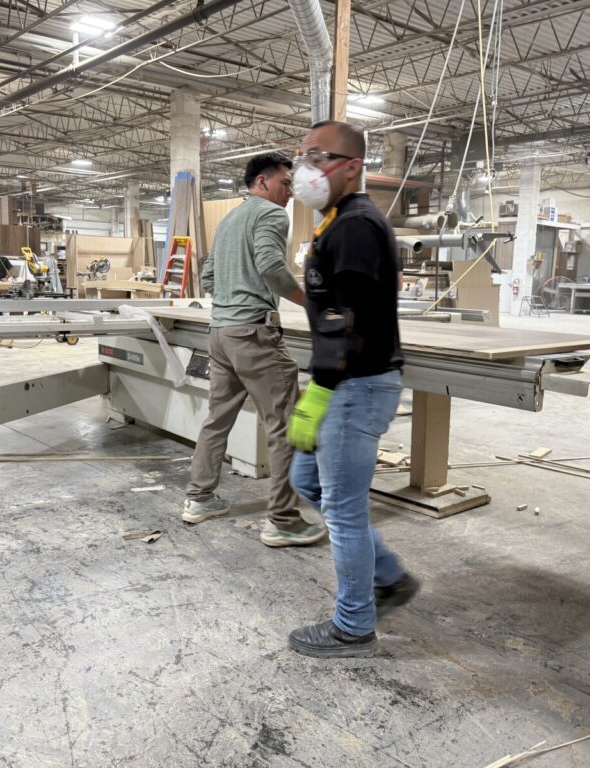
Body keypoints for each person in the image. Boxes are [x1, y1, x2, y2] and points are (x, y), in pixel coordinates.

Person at [285, 120, 420, 658]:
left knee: (342, 510)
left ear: (353, 166)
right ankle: (388, 577)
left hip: (355, 386)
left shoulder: (358, 226)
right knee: (308, 483)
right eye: (304, 156)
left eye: (320, 157)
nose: (307, 168)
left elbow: (347, 323)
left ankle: (354, 626)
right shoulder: (337, 222)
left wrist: (319, 392)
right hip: (343, 384)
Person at [182, 152, 327, 548]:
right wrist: (311, 303)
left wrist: (232, 297)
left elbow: (208, 275)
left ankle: (199, 499)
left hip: (221, 333)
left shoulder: (230, 218)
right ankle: (282, 519)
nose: (290, 193)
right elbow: (271, 267)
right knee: (284, 426)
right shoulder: (271, 214)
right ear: (261, 182)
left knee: (217, 418)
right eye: (285, 183)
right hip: (253, 336)